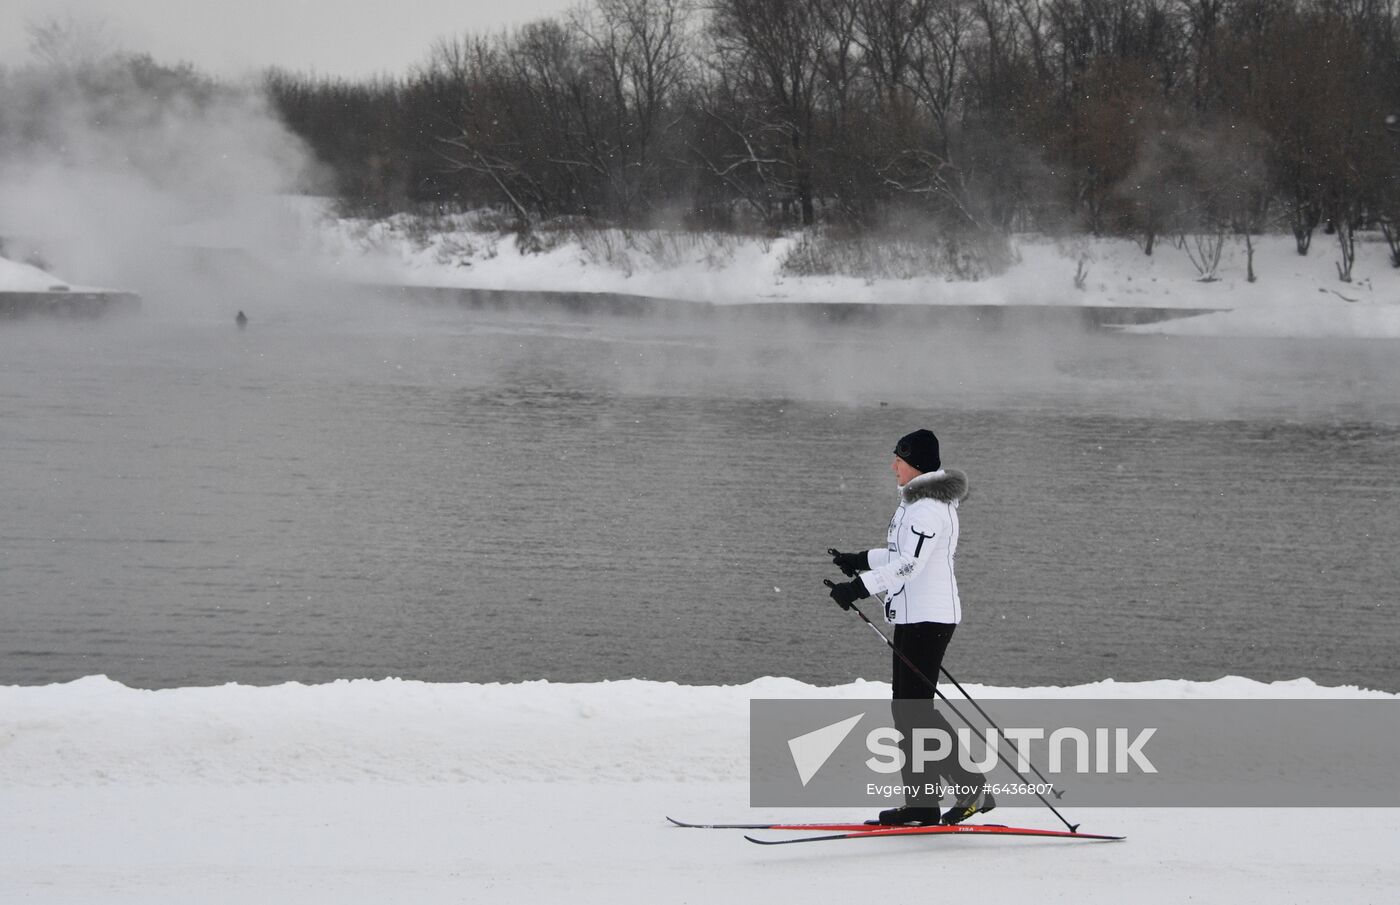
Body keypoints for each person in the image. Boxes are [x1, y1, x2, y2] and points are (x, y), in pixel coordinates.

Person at [826, 428, 994, 827]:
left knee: (915, 711)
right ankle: (921, 804)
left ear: (913, 463)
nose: (892, 466)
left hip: (929, 619)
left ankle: (972, 789)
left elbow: (908, 566)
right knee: (908, 711)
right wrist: (860, 559)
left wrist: (859, 587)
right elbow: (899, 554)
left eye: (897, 460)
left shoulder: (926, 510)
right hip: (913, 616)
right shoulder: (919, 503)